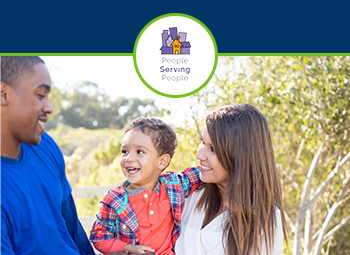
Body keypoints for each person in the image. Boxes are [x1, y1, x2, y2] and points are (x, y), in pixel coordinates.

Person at [0, 57, 95, 255]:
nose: (49, 108)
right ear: (3, 94)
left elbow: (73, 231)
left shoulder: (46, 145)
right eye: (40, 95)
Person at [175, 104, 288, 255]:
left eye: (213, 149)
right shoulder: (190, 193)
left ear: (241, 157)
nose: (200, 155)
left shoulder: (265, 220)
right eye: (202, 142)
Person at [90, 117, 201, 255]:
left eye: (139, 152)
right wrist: (129, 248)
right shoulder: (113, 200)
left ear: (162, 162)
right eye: (125, 151)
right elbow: (99, 238)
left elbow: (202, 172)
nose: (129, 158)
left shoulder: (174, 185)